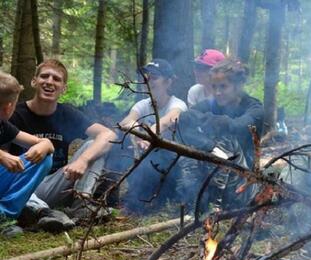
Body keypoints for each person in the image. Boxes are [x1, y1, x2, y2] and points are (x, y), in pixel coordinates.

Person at [10, 59, 116, 229]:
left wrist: (83, 160)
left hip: (55, 184)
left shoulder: (66, 113)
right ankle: (43, 214)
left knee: (93, 147)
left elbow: (108, 134)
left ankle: (82, 206)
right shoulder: (15, 114)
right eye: (45, 76)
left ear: (63, 88)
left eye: (56, 79)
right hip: (22, 186)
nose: (50, 82)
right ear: (34, 81)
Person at [176, 58, 264, 211]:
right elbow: (185, 118)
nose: (217, 92)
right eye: (214, 86)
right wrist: (207, 144)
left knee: (227, 141)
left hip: (243, 177)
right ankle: (195, 201)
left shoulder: (254, 108)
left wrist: (218, 122)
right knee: (189, 147)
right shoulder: (212, 104)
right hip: (213, 167)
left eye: (223, 87)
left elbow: (238, 126)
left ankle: (219, 203)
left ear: (238, 86)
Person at [120, 59, 187, 212]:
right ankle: (134, 196)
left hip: (172, 167)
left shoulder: (178, 104)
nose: (149, 81)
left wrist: (147, 136)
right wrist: (137, 132)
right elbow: (126, 122)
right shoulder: (143, 104)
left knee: (160, 153)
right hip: (146, 160)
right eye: (147, 76)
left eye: (154, 77)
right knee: (121, 145)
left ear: (168, 82)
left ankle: (159, 198)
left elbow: (166, 121)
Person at [0, 71, 54, 237]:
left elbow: (44, 144)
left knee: (44, 158)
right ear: (9, 107)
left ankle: (3, 216)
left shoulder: (3, 125)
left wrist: (44, 144)